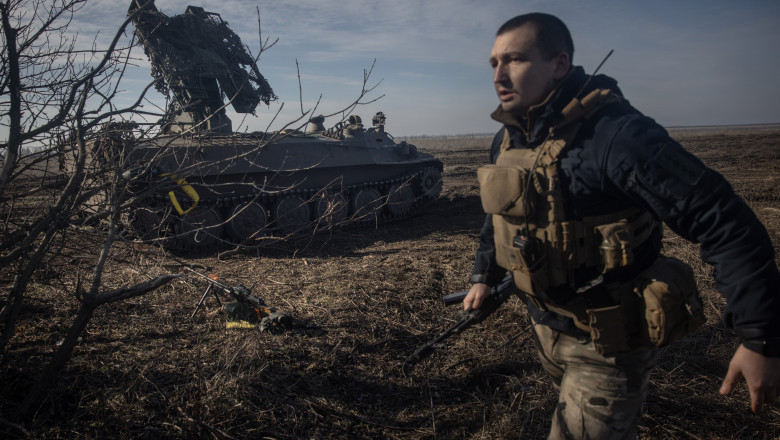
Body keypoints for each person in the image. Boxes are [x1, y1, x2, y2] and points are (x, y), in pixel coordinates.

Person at [463, 12, 780, 439]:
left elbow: (723, 221)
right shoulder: (511, 136)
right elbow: (502, 215)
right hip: (546, 324)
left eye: (514, 59)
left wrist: (759, 337)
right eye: (494, 63)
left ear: (559, 64)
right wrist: (484, 275)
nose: (499, 74)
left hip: (608, 341)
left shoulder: (618, 136)